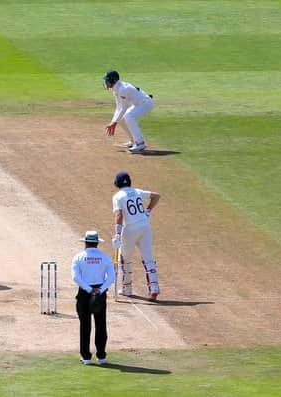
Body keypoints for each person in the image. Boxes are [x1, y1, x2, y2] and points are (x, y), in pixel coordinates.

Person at [111, 171, 161, 300]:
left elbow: (119, 215)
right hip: (145, 227)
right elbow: (156, 196)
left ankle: (127, 289)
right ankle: (154, 288)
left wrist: (117, 233)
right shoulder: (137, 191)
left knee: (125, 259)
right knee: (148, 258)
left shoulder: (118, 196)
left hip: (130, 229)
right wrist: (148, 210)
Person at [72, 231, 115, 365]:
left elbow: (76, 277)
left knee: (85, 325)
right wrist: (100, 290)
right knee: (101, 324)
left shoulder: (79, 257)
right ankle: (101, 356)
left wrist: (90, 290)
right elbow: (112, 277)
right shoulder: (105, 257)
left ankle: (86, 357)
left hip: (85, 293)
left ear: (85, 242)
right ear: (97, 243)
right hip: (100, 293)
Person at [103, 70, 153, 153]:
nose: (105, 82)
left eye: (107, 80)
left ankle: (140, 143)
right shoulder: (116, 89)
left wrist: (114, 123)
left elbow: (124, 107)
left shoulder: (122, 90)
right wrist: (113, 121)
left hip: (146, 103)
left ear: (113, 80)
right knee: (121, 119)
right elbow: (118, 108)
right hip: (138, 104)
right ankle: (133, 141)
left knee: (128, 116)